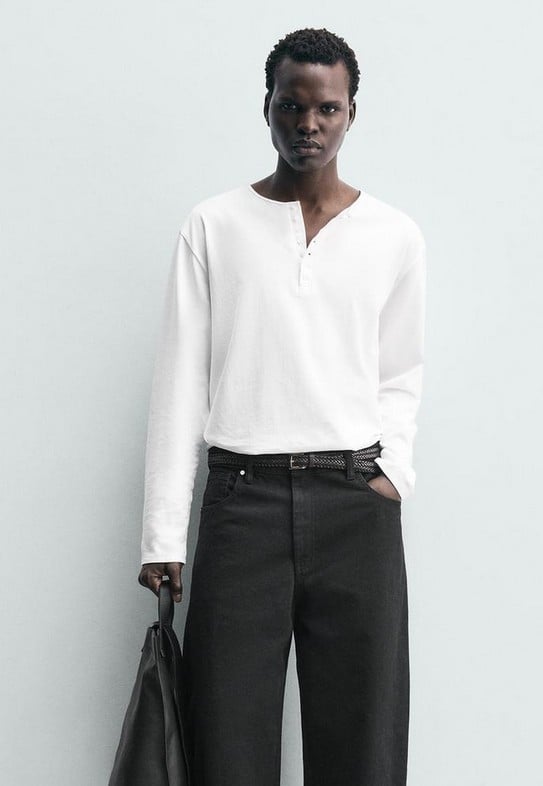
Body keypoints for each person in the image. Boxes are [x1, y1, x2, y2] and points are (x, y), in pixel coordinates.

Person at [138, 26, 426, 786]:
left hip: (355, 503)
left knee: (362, 741)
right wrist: (162, 535)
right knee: (226, 739)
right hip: (243, 505)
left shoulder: (393, 236)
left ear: (352, 112)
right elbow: (180, 382)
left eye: (326, 108)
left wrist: (392, 473)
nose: (308, 124)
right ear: (265, 107)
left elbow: (400, 372)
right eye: (291, 106)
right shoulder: (214, 225)